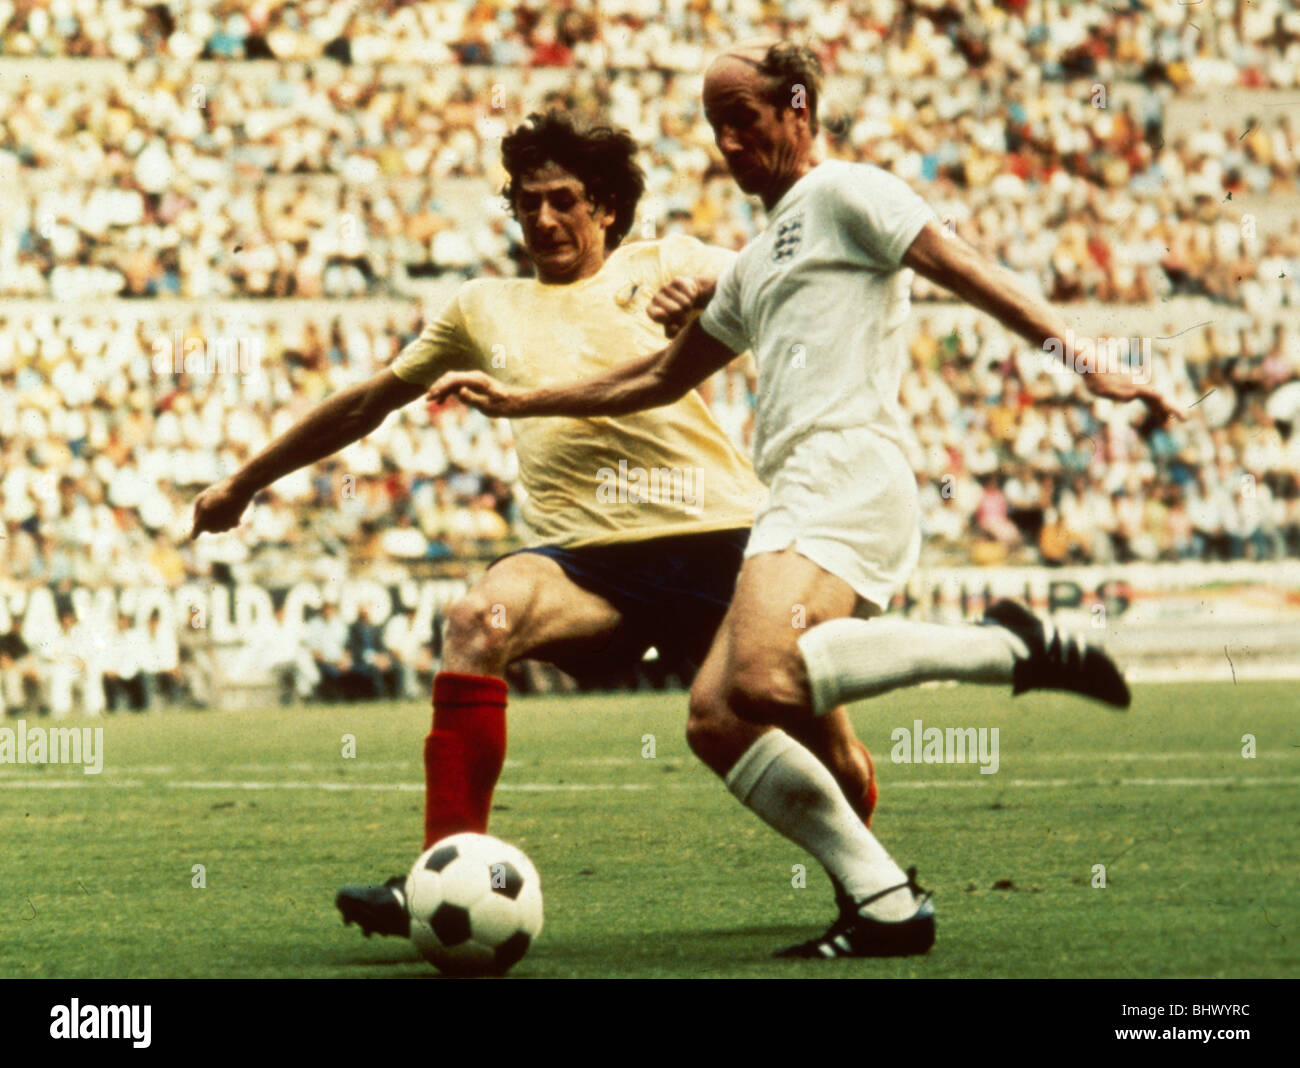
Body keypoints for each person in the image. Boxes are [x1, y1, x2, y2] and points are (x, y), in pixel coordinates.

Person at [426, 42, 1183, 958]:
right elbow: (660, 377)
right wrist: (522, 399)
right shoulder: (756, 259)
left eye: (743, 117)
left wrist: (1088, 357)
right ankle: (886, 905)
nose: (729, 141)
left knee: (760, 679)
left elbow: (965, 268)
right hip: (794, 488)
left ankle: (1003, 647)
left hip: (851, 470)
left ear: (797, 108)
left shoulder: (848, 193)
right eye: (715, 126)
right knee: (719, 718)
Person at [190, 109, 882, 943]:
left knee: (826, 748)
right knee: (477, 619)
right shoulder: (483, 307)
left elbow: (784, 278)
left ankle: (870, 886)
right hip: (587, 563)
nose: (544, 220)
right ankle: (441, 873)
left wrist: (714, 291)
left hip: (722, 543)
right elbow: (369, 403)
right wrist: (243, 482)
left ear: (607, 209)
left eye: (563, 200)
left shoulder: (668, 261)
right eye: (526, 204)